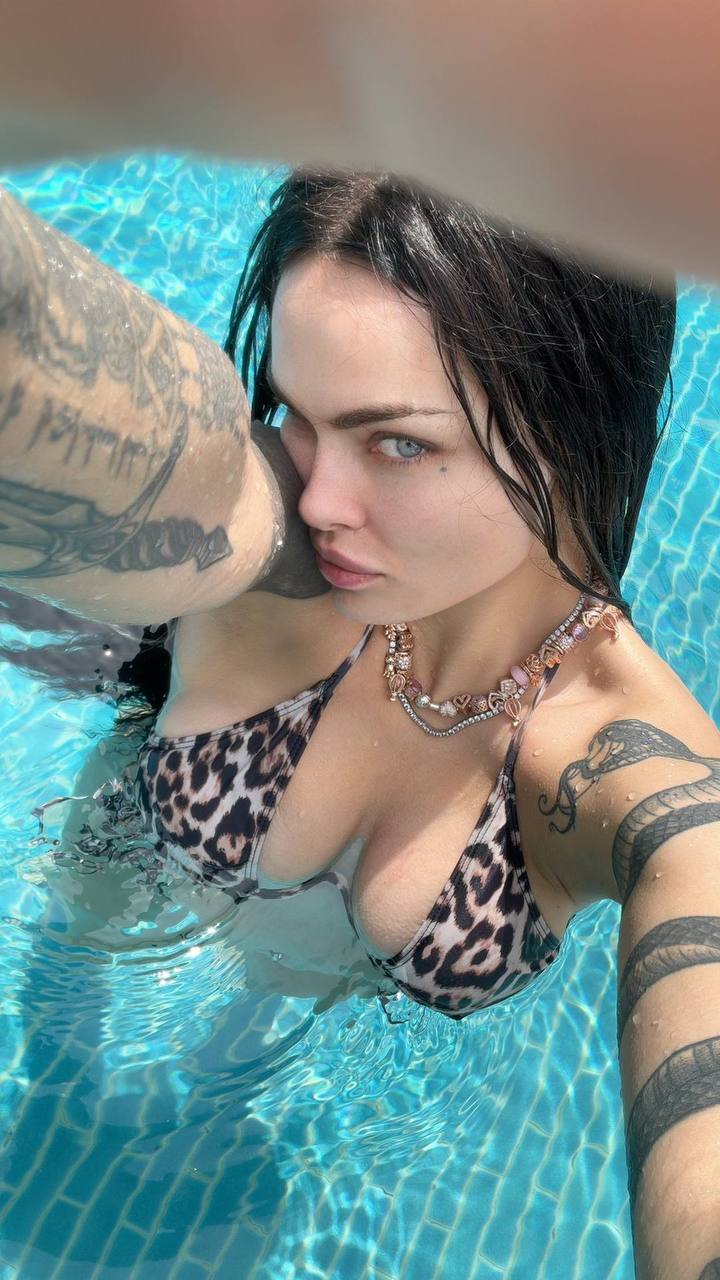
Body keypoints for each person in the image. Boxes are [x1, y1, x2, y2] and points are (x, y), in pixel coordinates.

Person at [1, 10, 720, 1275]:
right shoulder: (256, 532)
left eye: (397, 442)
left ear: (571, 430)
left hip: (289, 1034)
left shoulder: (620, 766)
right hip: (100, 920)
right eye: (295, 409)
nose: (321, 498)